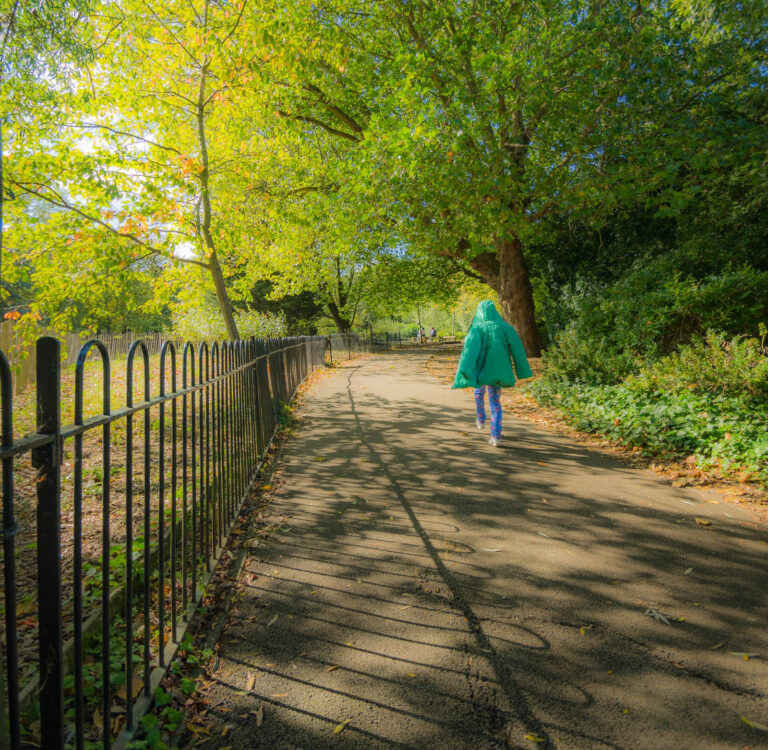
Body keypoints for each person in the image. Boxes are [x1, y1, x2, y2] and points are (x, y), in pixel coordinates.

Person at [452, 300, 532, 447]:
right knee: (495, 402)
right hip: (498, 371)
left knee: (478, 393)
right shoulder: (506, 328)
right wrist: (522, 371)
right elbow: (518, 351)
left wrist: (464, 370)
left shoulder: (476, 328)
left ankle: (480, 418)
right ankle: (496, 436)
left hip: (481, 371)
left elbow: (469, 353)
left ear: (479, 312)